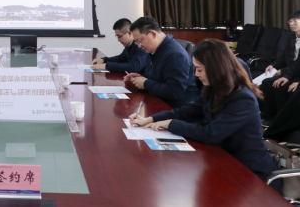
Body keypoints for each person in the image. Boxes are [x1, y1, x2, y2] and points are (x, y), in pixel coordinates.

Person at [130, 39, 279, 190]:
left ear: (216, 68)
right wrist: (150, 119)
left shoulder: (243, 98)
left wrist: (170, 124)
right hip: (222, 160)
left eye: (200, 70)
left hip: (249, 172)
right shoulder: (214, 89)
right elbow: (185, 112)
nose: (196, 74)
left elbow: (211, 133)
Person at [123, 17, 198, 108]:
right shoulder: (155, 49)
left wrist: (146, 83)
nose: (139, 46)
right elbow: (160, 78)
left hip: (175, 108)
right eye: (137, 43)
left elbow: (175, 92)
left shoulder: (175, 55)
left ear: (153, 34)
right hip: (159, 101)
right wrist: (142, 77)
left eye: (140, 41)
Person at [259, 11, 300, 119]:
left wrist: (286, 75)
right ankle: (269, 115)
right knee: (266, 83)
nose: (291, 24)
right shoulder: (291, 38)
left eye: (295, 21)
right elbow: (283, 57)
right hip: (291, 71)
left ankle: (282, 118)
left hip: (296, 74)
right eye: (290, 21)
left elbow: (298, 63)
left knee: (280, 86)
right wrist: (274, 65)